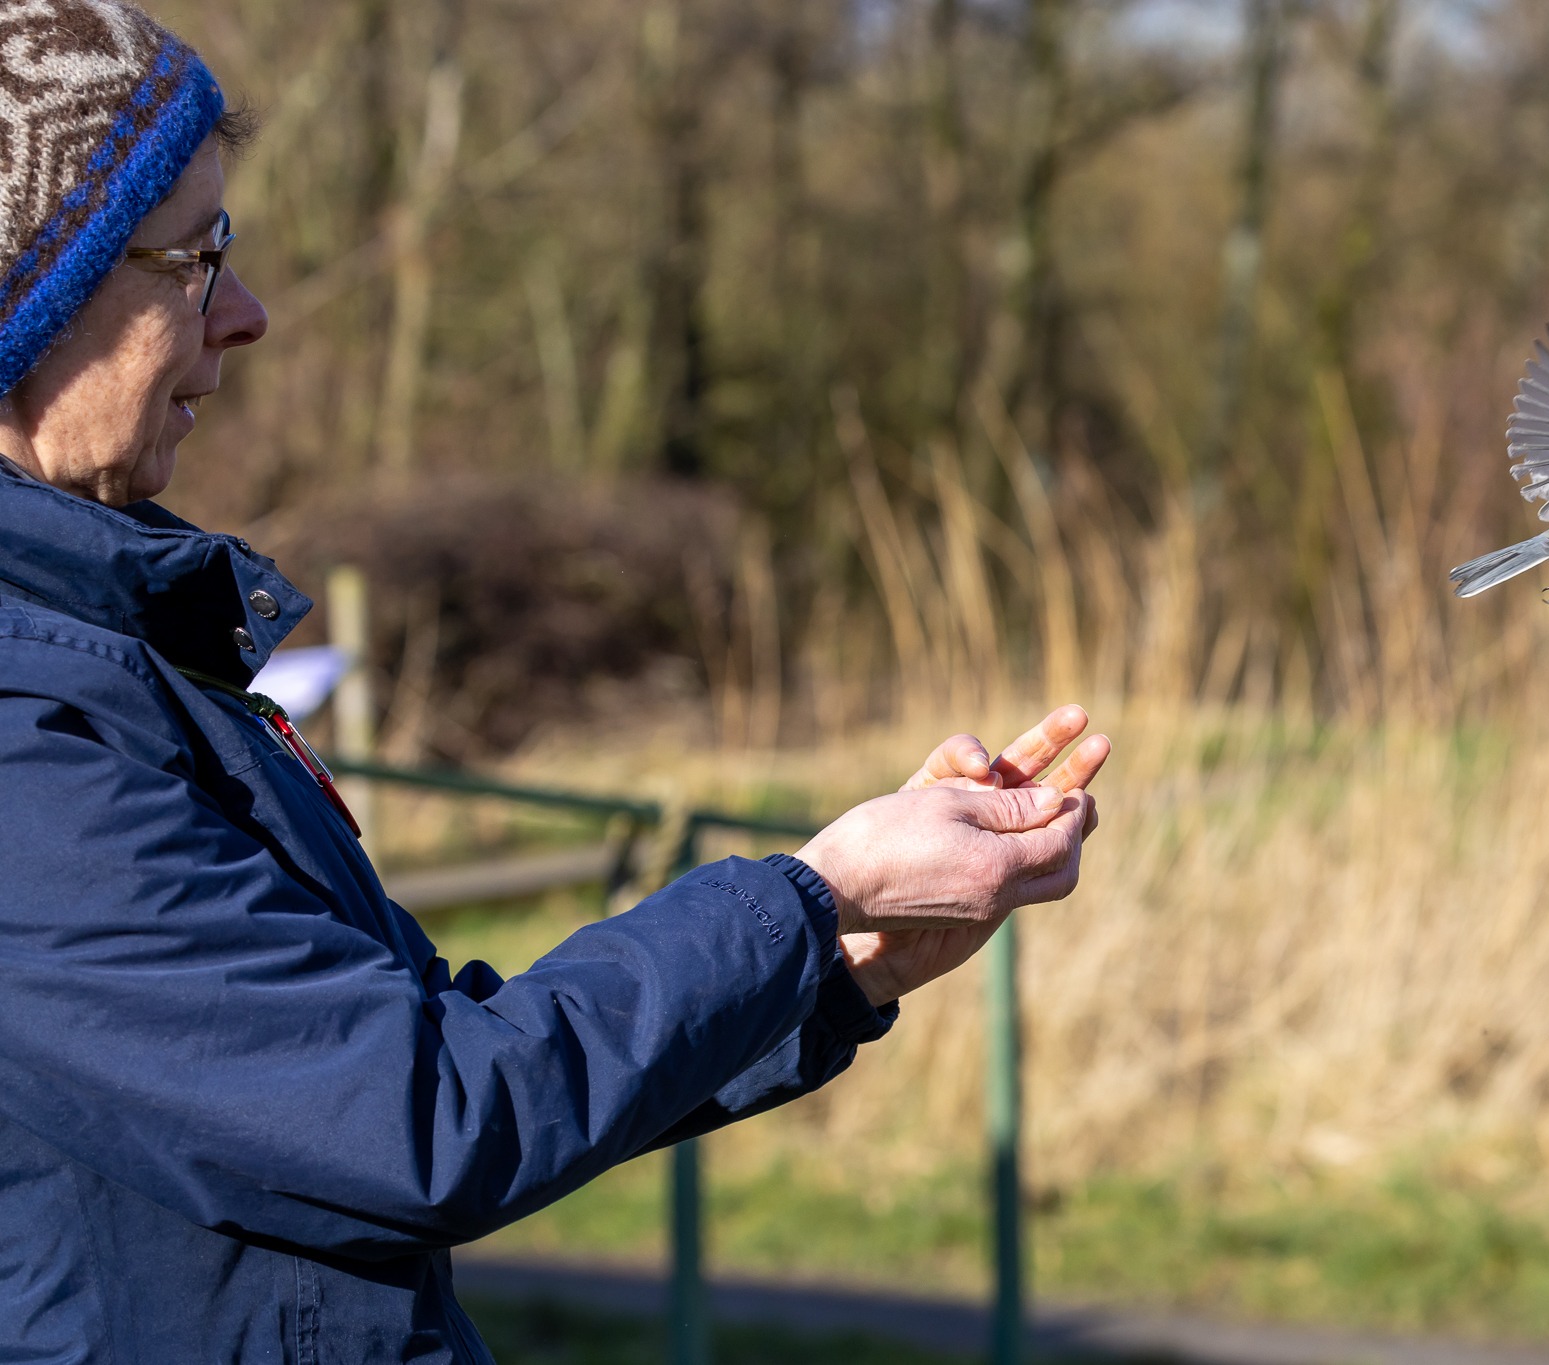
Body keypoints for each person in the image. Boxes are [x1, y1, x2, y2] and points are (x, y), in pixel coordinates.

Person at [0, 3, 1109, 1360]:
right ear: (29, 300)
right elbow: (421, 1119)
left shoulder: (107, 664)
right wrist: (802, 899)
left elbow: (421, 1050)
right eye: (193, 256)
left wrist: (840, 963)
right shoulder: (27, 736)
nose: (246, 314)